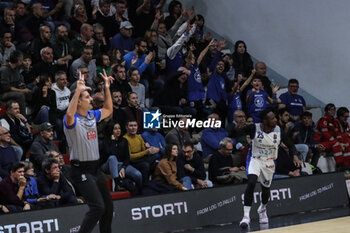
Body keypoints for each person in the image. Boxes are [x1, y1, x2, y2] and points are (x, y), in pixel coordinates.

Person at [63, 69, 114, 233]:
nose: (91, 98)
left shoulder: (92, 115)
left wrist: (107, 88)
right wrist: (77, 91)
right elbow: (69, 114)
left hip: (95, 169)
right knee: (98, 207)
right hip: (81, 170)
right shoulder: (71, 119)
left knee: (108, 207)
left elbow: (108, 110)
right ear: (78, 102)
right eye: (87, 97)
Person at [238, 109, 300, 228]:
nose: (276, 120)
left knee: (266, 189)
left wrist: (295, 156)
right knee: (251, 182)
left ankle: (262, 209)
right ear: (265, 121)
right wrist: (238, 128)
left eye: (275, 118)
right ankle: (246, 216)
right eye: (272, 118)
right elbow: (235, 134)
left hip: (269, 161)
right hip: (255, 159)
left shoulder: (278, 130)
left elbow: (290, 144)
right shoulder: (254, 128)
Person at [100, 122, 142, 191]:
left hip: (121, 165)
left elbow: (127, 157)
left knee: (138, 175)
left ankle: (139, 192)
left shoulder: (124, 140)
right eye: (115, 129)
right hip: (107, 165)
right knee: (112, 158)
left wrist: (123, 168)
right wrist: (113, 141)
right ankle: (117, 183)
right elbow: (109, 153)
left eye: (119, 128)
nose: (118, 130)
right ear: (111, 130)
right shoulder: (106, 141)